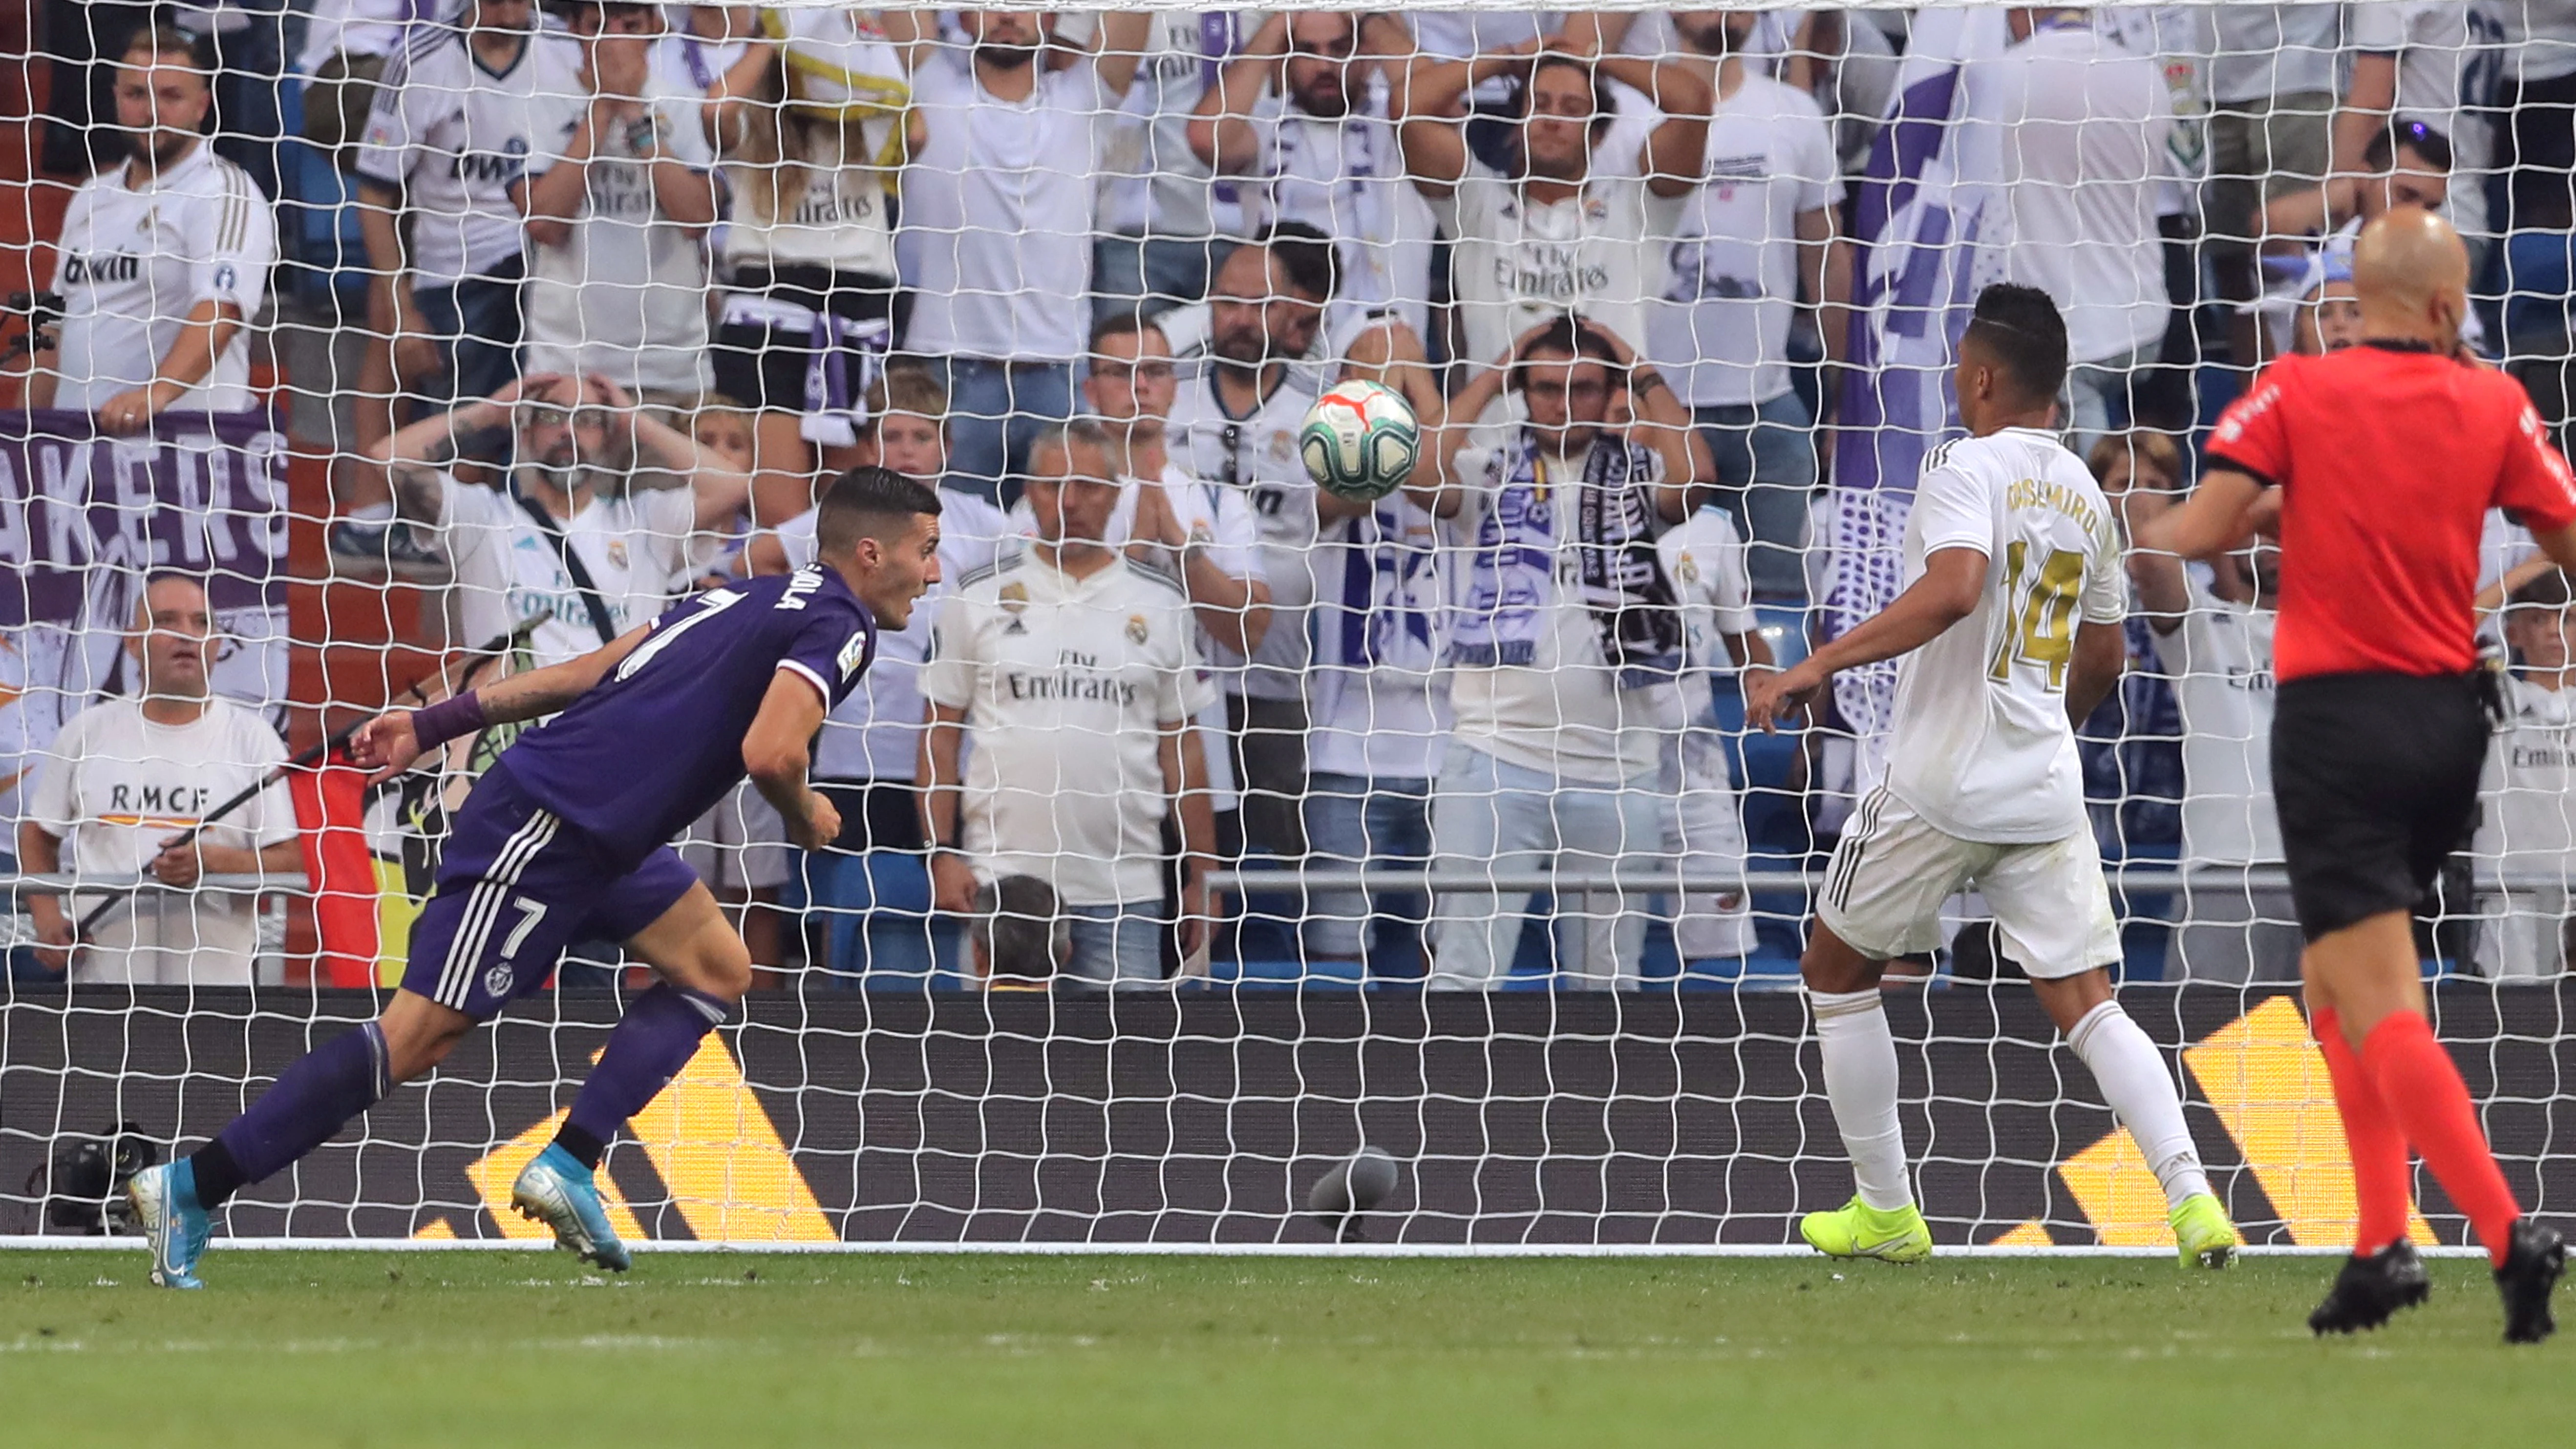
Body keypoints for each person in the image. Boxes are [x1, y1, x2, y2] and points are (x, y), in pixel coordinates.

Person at [125, 467, 941, 1287]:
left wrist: (431, 722)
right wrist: (806, 815)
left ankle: (570, 1163)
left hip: (602, 838)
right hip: (547, 827)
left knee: (718, 967)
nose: (934, 571)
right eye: (927, 550)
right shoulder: (841, 625)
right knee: (416, 1039)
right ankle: (192, 1188)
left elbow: (588, 671)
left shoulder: (740, 597)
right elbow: (773, 753)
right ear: (871, 554)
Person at [2144, 208, 2576, 1341]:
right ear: (2446, 306)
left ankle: (2503, 1228)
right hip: (2450, 722)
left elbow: (2201, 530)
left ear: (2354, 300)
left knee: (2375, 993)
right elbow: (2566, 534)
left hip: (2337, 722)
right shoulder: (2495, 403)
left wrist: (2132, 519)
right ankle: (2380, 1243)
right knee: (2332, 984)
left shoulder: (2294, 391)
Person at [1746, 284, 2236, 1268]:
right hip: (2039, 781)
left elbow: (1955, 584)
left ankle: (1885, 1212)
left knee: (1832, 972)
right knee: (2088, 1001)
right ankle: (2192, 1203)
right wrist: (2046, 734)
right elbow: (2104, 656)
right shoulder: (2087, 497)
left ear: (1976, 375)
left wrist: (1819, 662)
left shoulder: (1959, 465)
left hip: (1934, 780)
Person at [1429, 317, 1696, 990]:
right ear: (1523, 392)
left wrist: (1637, 365)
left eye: (1582, 388)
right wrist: (1498, 368)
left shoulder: (1641, 470)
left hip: (1617, 769)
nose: (1562, 403)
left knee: (1609, 982)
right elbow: (1420, 469)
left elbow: (1698, 476)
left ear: (1610, 394)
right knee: (1464, 974)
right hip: (1494, 756)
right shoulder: (1488, 466)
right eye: (1545, 387)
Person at [920, 422, 1218, 986]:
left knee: (1124, 1066)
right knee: (996, 1064)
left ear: (1115, 494)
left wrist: (1202, 872)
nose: (1071, 502)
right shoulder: (977, 595)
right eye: (1054, 485)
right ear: (1029, 493)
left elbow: (1184, 748)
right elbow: (938, 729)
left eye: (1088, 485)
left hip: (1124, 888)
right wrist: (940, 851)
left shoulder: (1159, 602)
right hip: (1002, 883)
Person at [761, 364, 1010, 985]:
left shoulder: (981, 523)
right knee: (844, 904)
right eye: (892, 436)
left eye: (920, 437)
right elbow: (760, 555)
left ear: (946, 446)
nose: (905, 449)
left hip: (950, 759)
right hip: (856, 751)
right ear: (872, 446)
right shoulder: (847, 516)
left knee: (946, 907)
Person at [883, 9, 1153, 499]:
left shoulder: (1083, 100)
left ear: (1051, 14)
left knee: (1061, 557)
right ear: (962, 16)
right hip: (950, 373)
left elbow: (1131, 18)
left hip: (1058, 374)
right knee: (949, 552)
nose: (1007, 14)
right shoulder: (932, 89)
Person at [1650, 8, 1849, 601]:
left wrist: (1843, 399)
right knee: (1655, 612)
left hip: (1771, 411)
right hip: (1656, 418)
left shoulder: (1794, 113)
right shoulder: (1629, 109)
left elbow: (1828, 260)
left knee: (1780, 618)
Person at [19, 576, 300, 985]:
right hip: (102, 989)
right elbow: (38, 835)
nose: (186, 634)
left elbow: (293, 861)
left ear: (217, 645)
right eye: (167, 621)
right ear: (133, 642)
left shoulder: (255, 740)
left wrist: (213, 862)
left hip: (218, 1000)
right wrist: (47, 919)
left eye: (201, 622)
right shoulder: (86, 732)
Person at [373, 372, 754, 674]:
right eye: (552, 417)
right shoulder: (483, 517)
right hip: (509, 746)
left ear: (607, 439)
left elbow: (732, 485)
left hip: (609, 739)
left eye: (587, 421)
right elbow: (387, 457)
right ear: (525, 432)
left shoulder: (644, 522)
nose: (568, 432)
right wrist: (490, 411)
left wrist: (634, 422)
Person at [1166, 230, 1341, 861]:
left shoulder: (1322, 407)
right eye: (1227, 304)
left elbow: (1340, 509)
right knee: (1176, 850)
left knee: (1272, 857)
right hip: (1172, 670)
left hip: (1275, 672)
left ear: (1289, 310)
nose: (1240, 321)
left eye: (1258, 305)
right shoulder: (1168, 397)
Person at [2108, 431, 2297, 984]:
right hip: (2223, 869)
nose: (2268, 540)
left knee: (2334, 1063)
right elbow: (2148, 552)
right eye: (2254, 529)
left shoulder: (2341, 625)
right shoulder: (2200, 621)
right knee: (2232, 1064)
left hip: (2328, 870)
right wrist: (2243, 510)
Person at [1401, 41, 1715, 372]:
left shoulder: (1634, 208)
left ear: (1598, 133)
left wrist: (1594, 57)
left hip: (1610, 422)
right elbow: (1406, 107)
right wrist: (1507, 59)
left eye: (1572, 108)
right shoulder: (1477, 206)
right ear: (1519, 122)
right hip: (1499, 424)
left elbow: (1692, 103)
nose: (1552, 119)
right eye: (1540, 104)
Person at [711, 11, 907, 532]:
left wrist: (853, 29)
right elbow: (715, 108)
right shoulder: (754, 122)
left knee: (850, 514)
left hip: (857, 311)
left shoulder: (871, 119)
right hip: (770, 313)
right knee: (782, 515)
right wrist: (784, 28)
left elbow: (920, 128)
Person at [27, 26, 276, 433]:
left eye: (171, 96)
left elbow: (221, 311)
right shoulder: (91, 197)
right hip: (80, 453)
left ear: (202, 105)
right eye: (136, 94)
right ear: (116, 99)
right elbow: (55, 325)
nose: (152, 111)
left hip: (180, 449)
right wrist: (29, 427)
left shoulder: (222, 190)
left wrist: (153, 396)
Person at [1961, 7, 2174, 455]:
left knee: (2081, 490)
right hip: (2144, 318)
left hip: (2070, 336)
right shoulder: (2146, 77)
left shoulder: (2002, 78)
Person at [1190, 10, 1436, 345]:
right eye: (1307, 50)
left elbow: (1436, 97)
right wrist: (1281, 21)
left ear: (1366, 52)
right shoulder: (1264, 125)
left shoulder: (1403, 127)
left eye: (1339, 48)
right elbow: (1206, 137)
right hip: (1283, 362)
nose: (1324, 65)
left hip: (1386, 355)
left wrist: (1369, 20)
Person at [517, 1, 720, 400]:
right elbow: (545, 225)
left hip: (671, 369)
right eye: (599, 26)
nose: (615, 41)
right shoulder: (536, 105)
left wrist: (633, 113)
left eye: (630, 26)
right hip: (564, 369)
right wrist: (602, 110)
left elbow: (697, 218)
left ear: (654, 27)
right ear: (575, 28)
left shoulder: (685, 104)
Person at [1657, 496, 1776, 964]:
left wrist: (1762, 676)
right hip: (1592, 764)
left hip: (1691, 770)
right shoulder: (1554, 508)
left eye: (1631, 417)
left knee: (1721, 953)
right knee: (1603, 957)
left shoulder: (1711, 529)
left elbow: (1743, 638)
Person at [2476, 570, 2576, 979]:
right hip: (2509, 899)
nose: (2554, 632)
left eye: (2567, 617)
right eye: (2538, 619)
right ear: (2513, 632)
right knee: (2520, 1028)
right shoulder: (2494, 701)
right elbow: (2443, 636)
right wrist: (2536, 559)